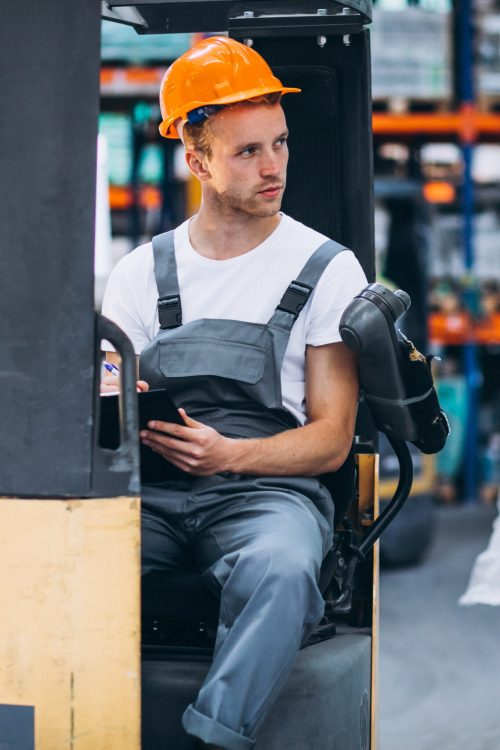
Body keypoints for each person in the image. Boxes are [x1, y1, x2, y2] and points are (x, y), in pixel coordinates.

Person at [101, 36, 367, 750]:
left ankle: (212, 740)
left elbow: (331, 437)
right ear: (197, 161)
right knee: (59, 556)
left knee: (282, 570)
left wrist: (229, 456)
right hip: (152, 492)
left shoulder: (327, 268)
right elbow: (103, 411)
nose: (273, 165)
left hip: (267, 493)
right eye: (248, 151)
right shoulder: (138, 274)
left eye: (278, 143)